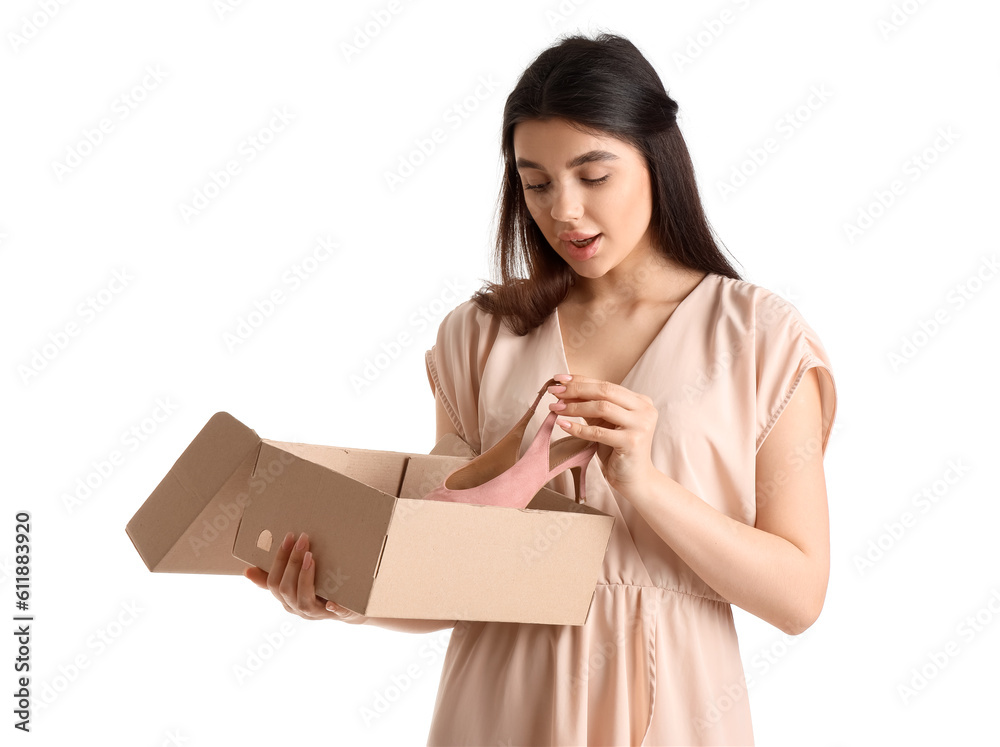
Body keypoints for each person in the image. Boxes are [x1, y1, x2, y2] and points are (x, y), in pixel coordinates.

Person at [245, 31, 837, 745]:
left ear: (657, 157)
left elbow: (800, 595)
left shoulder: (760, 338)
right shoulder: (479, 335)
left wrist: (645, 484)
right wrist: (344, 593)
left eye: (594, 176)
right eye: (537, 182)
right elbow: (449, 565)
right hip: (497, 703)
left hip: (675, 705)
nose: (565, 212)